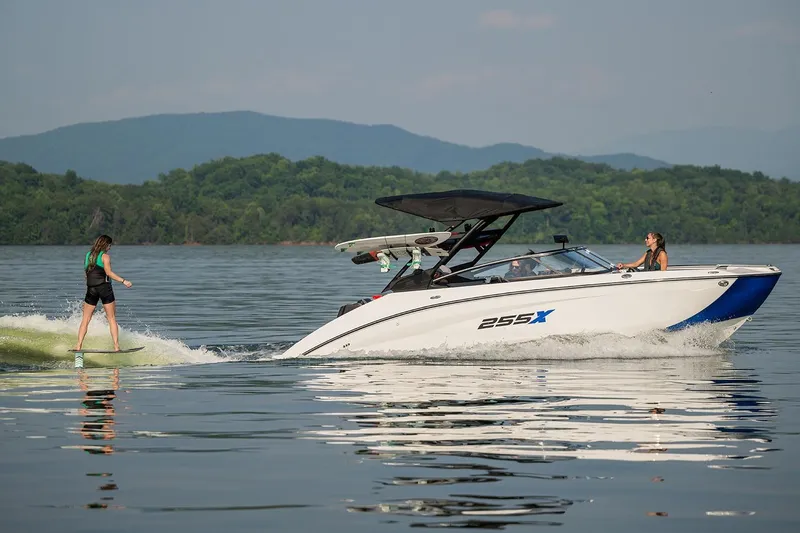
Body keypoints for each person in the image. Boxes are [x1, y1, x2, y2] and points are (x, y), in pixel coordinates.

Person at [75, 235, 133, 352]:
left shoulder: (88, 255)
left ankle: (78, 346)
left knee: (85, 319)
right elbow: (109, 273)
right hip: (104, 289)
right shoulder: (105, 257)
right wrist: (124, 281)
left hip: (91, 289)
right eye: (109, 245)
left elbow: (86, 273)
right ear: (105, 245)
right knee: (111, 318)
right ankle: (116, 347)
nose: (110, 248)